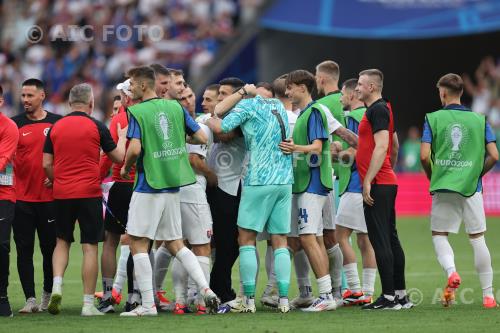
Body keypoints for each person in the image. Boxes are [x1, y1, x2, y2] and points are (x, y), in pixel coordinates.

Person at [119, 66, 219, 317]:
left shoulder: (137, 111)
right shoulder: (176, 107)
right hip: (174, 185)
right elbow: (200, 137)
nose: (129, 88)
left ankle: (148, 305)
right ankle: (206, 289)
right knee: (176, 243)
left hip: (148, 184)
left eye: (131, 84)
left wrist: (125, 168)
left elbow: (133, 149)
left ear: (143, 86)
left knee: (138, 243)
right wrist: (177, 141)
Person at [43, 83, 127, 316]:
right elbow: (118, 157)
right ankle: (88, 304)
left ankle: (57, 285)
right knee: (89, 247)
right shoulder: (97, 126)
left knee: (62, 241)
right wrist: (121, 138)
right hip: (88, 193)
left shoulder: (56, 127)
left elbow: (46, 164)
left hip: (62, 194)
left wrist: (56, 180)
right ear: (91, 103)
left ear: (70, 103)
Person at [210, 83, 293, 314]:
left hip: (259, 179)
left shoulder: (248, 105)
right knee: (280, 241)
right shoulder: (277, 105)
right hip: (284, 179)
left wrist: (207, 119)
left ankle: (247, 300)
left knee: (246, 238)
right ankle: (283, 299)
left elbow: (219, 120)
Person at [278, 69, 358, 312]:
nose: (287, 92)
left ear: (303, 87)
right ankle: (330, 294)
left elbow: (316, 147)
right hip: (313, 183)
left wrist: (294, 148)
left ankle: (325, 295)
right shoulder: (307, 113)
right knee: (316, 239)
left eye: (290, 87)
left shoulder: (313, 112)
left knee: (307, 238)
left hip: (311, 184)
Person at [420, 73, 499, 308]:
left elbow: (424, 155)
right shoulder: (480, 119)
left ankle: (452, 272)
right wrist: (476, 175)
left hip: (444, 184)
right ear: (462, 92)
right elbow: (495, 155)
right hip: (471, 187)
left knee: (440, 235)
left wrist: (432, 176)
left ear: (443, 93)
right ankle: (488, 296)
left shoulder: (432, 118)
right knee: (477, 238)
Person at [355, 69, 409, 310]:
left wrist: (368, 179)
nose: (356, 88)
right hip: (386, 181)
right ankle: (400, 295)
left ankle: (388, 298)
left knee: (380, 240)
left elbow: (383, 145)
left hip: (378, 183)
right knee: (391, 239)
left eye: (360, 84)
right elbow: (394, 145)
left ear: (372, 88)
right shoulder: (385, 108)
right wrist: (387, 170)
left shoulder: (377, 109)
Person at [11, 79, 61, 313]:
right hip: (21, 199)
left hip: (50, 199)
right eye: (23, 96)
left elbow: (67, 155)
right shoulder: (14, 125)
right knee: (24, 250)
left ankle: (47, 295)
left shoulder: (57, 123)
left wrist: (57, 174)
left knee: (50, 249)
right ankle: (30, 299)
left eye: (30, 95)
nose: (25, 100)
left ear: (42, 96)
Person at [205, 77, 248, 311]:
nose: (220, 99)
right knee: (217, 243)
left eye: (224, 94)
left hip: (230, 188)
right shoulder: (220, 118)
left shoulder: (241, 119)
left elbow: (225, 135)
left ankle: (219, 288)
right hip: (215, 188)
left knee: (229, 243)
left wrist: (209, 120)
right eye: (219, 94)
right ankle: (217, 289)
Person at [97, 79, 138, 314]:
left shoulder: (119, 119)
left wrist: (96, 179)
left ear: (125, 96)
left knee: (111, 241)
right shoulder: (147, 113)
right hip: (143, 186)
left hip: (121, 185)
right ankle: (135, 296)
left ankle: (107, 295)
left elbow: (107, 156)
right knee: (140, 243)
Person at [333, 78, 376, 306]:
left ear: (351, 96)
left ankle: (355, 289)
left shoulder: (352, 118)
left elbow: (353, 152)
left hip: (355, 185)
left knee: (340, 235)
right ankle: (367, 292)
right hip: (371, 183)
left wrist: (333, 154)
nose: (341, 98)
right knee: (365, 240)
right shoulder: (371, 115)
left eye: (342, 93)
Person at [315, 60, 345, 300]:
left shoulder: (319, 107)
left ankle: (332, 290)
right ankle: (348, 288)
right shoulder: (349, 101)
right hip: (351, 174)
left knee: (320, 237)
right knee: (341, 237)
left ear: (322, 79)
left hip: (327, 175)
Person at [0, 83, 19, 317]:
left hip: (3, 195)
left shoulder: (9, 127)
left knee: (1, 245)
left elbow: (2, 159)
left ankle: (2, 297)